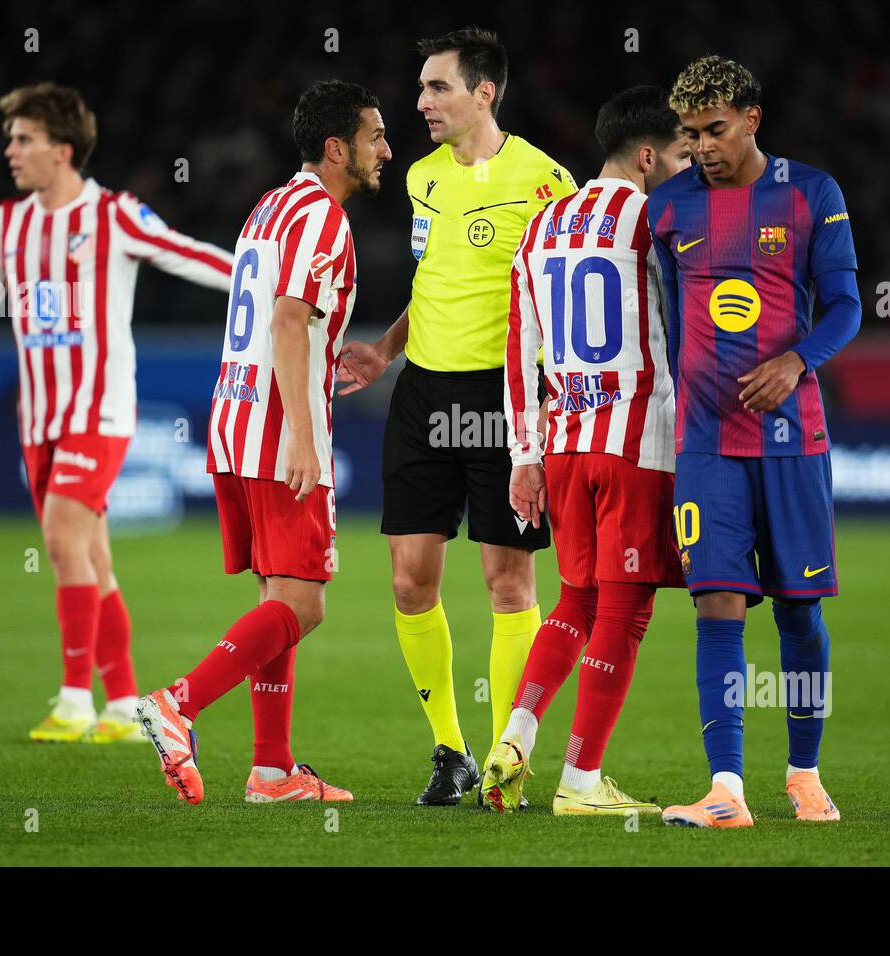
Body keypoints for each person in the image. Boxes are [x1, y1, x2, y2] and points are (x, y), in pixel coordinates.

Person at [0, 83, 233, 743]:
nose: (10, 150)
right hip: (39, 418)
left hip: (101, 411)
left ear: (62, 150)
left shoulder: (113, 215)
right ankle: (122, 705)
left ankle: (73, 701)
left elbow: (190, 254)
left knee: (62, 541)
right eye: (11, 138)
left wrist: (265, 281)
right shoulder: (9, 222)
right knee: (92, 558)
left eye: (23, 139)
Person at [336, 28, 577, 806]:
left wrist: (552, 404)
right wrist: (385, 350)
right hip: (422, 395)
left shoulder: (546, 182)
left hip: (505, 400)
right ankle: (451, 752)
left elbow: (565, 300)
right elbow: (435, 280)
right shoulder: (422, 178)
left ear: (484, 93)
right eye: (419, 88)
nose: (420, 103)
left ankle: (509, 754)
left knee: (508, 582)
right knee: (410, 579)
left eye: (436, 87)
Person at [135, 79, 391, 805]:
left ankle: (272, 772)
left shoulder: (269, 206)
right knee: (304, 607)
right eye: (376, 137)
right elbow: (285, 321)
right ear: (338, 147)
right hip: (278, 431)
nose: (387, 150)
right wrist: (306, 440)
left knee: (277, 596)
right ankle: (178, 702)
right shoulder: (322, 219)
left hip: (234, 420)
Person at [649, 56, 862, 827]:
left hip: (791, 439)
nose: (702, 146)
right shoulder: (667, 207)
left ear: (752, 119)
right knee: (716, 606)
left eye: (715, 129)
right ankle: (726, 790)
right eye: (690, 133)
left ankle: (804, 776)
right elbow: (664, 317)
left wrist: (796, 360)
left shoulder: (812, 195)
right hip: (705, 442)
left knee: (798, 614)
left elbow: (845, 306)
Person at [483, 86, 693, 815]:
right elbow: (692, 325)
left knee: (574, 599)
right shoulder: (661, 220)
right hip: (640, 441)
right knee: (625, 614)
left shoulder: (542, 225)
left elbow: (519, 350)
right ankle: (579, 780)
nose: (688, 168)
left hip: (567, 444)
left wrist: (523, 453)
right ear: (646, 155)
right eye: (681, 154)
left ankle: (514, 737)